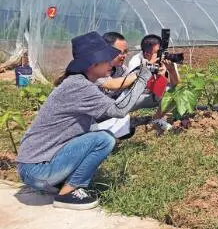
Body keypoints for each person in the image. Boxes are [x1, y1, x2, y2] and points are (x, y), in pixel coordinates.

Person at [16, 32, 152, 210]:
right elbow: (119, 110)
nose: (110, 63)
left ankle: (61, 182)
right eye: (106, 59)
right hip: (37, 171)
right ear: (93, 64)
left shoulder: (79, 82)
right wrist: (142, 78)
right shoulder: (80, 86)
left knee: (94, 130)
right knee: (104, 139)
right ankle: (67, 193)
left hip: (34, 167)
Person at [124, 34, 180, 131]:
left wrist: (171, 71)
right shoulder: (136, 61)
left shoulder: (166, 60)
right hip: (136, 97)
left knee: (174, 92)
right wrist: (149, 70)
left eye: (162, 52)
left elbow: (176, 84)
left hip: (155, 95)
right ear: (147, 53)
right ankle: (118, 121)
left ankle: (156, 120)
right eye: (158, 53)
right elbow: (132, 87)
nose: (162, 55)